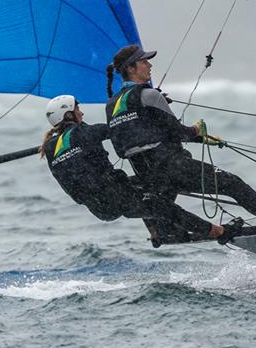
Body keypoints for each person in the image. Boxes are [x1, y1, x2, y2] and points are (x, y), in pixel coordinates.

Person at [104, 44, 256, 236]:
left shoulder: (112, 104)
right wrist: (196, 130)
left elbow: (137, 138)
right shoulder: (149, 95)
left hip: (146, 173)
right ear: (131, 68)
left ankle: (165, 232)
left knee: (160, 200)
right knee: (232, 184)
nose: (149, 65)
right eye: (144, 62)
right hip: (170, 166)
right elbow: (179, 133)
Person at [40, 94, 243, 245]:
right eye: (77, 109)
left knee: (146, 185)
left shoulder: (49, 148)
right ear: (67, 114)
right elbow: (120, 129)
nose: (81, 113)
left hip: (97, 207)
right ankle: (219, 232)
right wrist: (145, 110)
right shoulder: (86, 132)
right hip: (116, 198)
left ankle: (157, 232)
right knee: (165, 207)